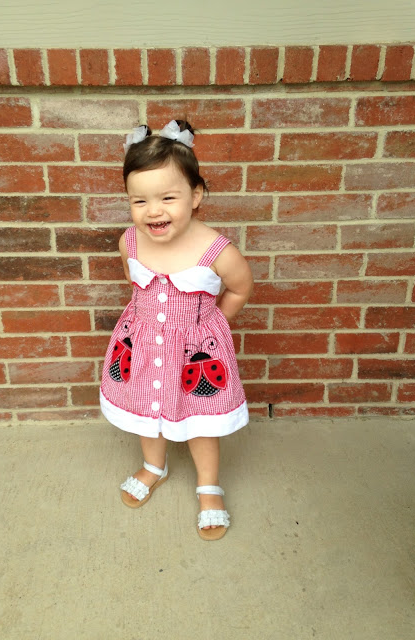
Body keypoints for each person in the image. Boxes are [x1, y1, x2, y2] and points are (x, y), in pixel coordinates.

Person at [100, 120, 253, 540]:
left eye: (168, 197)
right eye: (140, 200)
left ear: (195, 195)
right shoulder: (130, 241)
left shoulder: (216, 249)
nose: (154, 211)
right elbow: (134, 282)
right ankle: (154, 466)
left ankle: (208, 486)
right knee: (145, 414)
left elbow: (241, 287)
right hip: (142, 347)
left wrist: (212, 325)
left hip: (194, 355)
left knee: (201, 422)